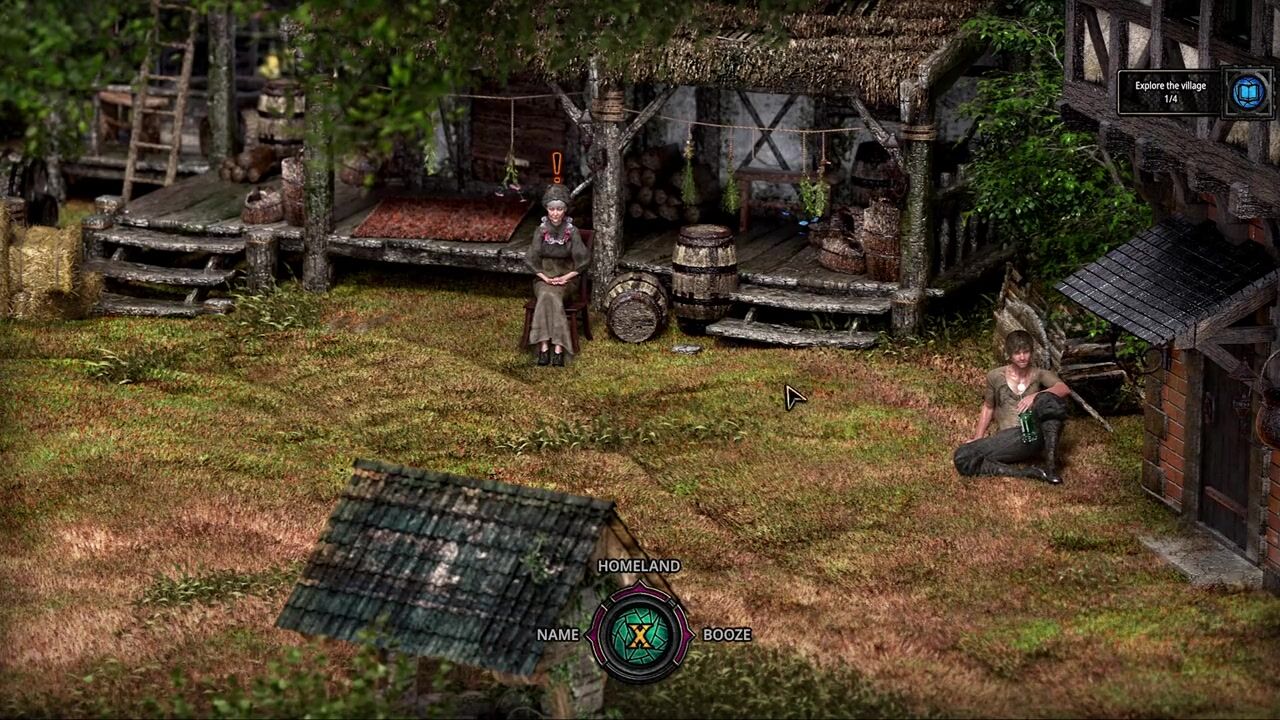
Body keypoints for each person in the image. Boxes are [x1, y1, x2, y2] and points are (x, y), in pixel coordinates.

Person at [954, 330, 1071, 484]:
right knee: (962, 456)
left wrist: (1035, 396)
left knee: (1048, 400)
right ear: (1009, 354)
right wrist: (978, 437)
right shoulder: (995, 376)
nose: (1022, 357)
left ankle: (1051, 466)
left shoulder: (1040, 374)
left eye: (1026, 352)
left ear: (1032, 352)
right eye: (1017, 353)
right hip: (1010, 439)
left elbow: (1063, 389)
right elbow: (988, 407)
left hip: (1035, 434)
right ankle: (1027, 473)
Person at [525, 184, 590, 367]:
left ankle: (558, 348)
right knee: (546, 294)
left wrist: (565, 278)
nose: (555, 213)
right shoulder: (541, 231)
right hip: (544, 278)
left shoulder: (572, 231)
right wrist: (545, 278)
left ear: (565, 210)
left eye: (559, 209)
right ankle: (544, 346)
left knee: (552, 296)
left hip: (566, 278)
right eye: (552, 209)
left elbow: (584, 260)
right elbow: (531, 258)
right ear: (547, 209)